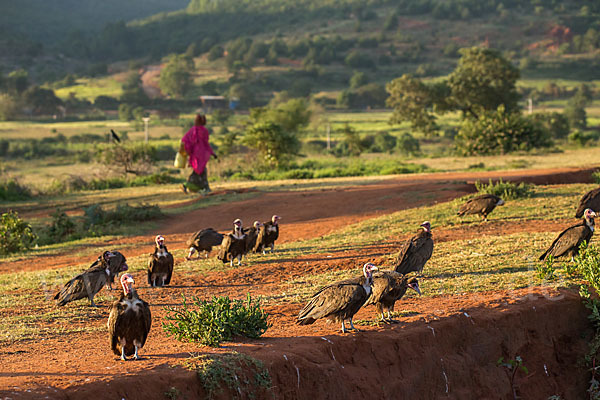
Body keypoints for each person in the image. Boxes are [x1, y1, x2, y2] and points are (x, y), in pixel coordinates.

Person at [180, 114, 217, 194]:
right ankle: (204, 188)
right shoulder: (204, 131)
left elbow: (184, 140)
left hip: (194, 154)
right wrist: (212, 153)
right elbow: (206, 143)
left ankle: (202, 188)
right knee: (201, 171)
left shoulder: (192, 130)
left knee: (199, 170)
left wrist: (188, 151)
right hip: (201, 154)